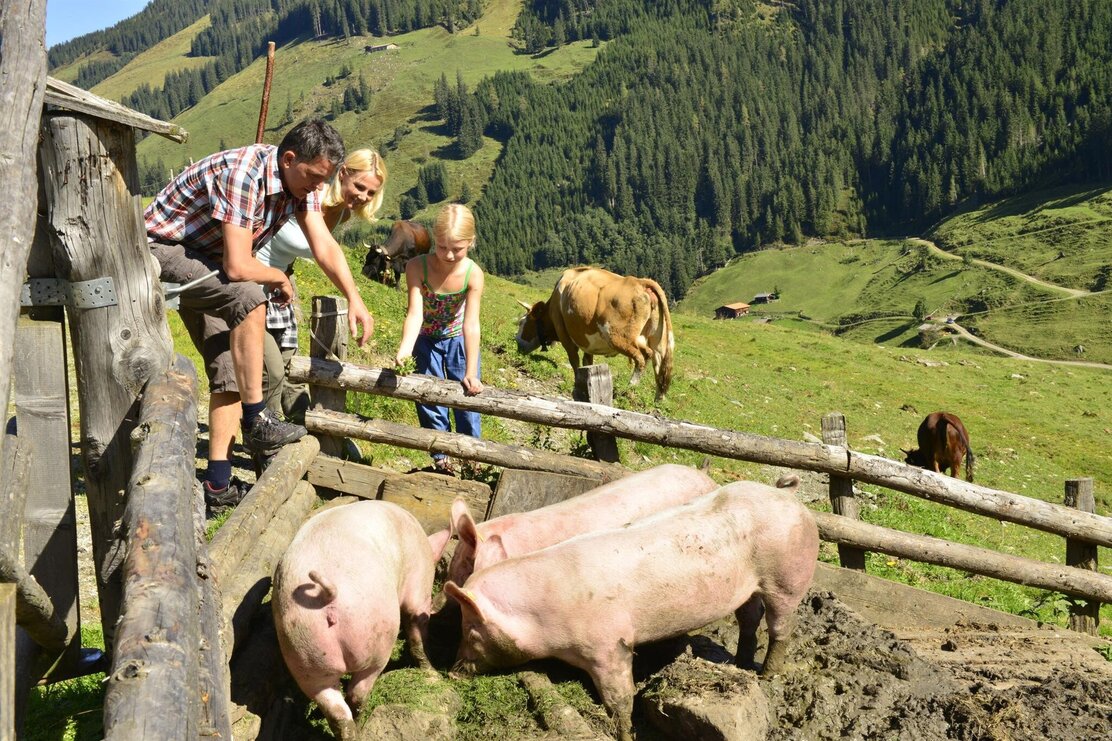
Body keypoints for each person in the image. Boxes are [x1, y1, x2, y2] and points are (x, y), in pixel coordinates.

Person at [146, 118, 373, 511]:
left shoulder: (300, 184)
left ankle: (217, 486)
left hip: (209, 262)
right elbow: (238, 266)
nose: (318, 187)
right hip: (162, 249)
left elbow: (323, 244)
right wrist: (277, 277)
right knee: (249, 297)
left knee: (230, 370)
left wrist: (354, 297)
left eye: (324, 179)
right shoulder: (244, 173)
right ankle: (256, 421)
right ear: (289, 159)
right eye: (314, 177)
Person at [256, 148, 388, 428]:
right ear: (343, 173)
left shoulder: (342, 214)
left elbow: (320, 250)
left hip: (281, 283)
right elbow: (320, 249)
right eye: (359, 186)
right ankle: (265, 434)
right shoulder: (308, 193)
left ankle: (303, 427)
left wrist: (287, 275)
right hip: (253, 278)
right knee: (270, 368)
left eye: (371, 193)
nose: (363, 196)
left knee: (288, 362)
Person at [395, 204, 485, 475]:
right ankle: (442, 459)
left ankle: (470, 459)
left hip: (458, 340)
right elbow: (415, 314)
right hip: (425, 340)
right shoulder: (416, 267)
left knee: (467, 401)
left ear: (471, 242)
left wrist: (471, 371)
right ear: (434, 238)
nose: (448, 254)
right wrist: (405, 351)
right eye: (442, 246)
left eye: (457, 248)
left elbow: (471, 323)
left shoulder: (473, 274)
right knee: (429, 399)